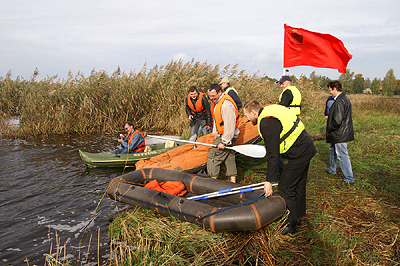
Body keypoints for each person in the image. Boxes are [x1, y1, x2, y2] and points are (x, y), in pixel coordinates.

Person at [243, 100, 317, 234]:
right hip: (306, 146)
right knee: (298, 184)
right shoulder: (271, 110)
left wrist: (269, 181)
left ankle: (291, 223)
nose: (247, 119)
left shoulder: (266, 122)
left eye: (247, 116)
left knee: (285, 187)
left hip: (299, 152)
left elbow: (273, 154)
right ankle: (298, 216)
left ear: (254, 112)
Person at [207, 83, 240, 183]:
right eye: (210, 96)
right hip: (224, 135)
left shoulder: (226, 105)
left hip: (227, 136)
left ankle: (212, 182)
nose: (211, 98)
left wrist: (225, 142)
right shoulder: (217, 102)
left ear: (220, 92)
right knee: (229, 156)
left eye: (213, 96)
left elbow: (230, 124)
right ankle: (233, 181)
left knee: (212, 157)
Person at [325, 81, 355, 184]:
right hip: (339, 132)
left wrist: (329, 128)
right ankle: (332, 169)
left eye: (330, 90)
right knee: (333, 150)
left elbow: (337, 121)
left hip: (339, 133)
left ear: (334, 89)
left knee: (342, 155)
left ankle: (349, 179)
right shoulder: (343, 98)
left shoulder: (339, 101)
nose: (330, 92)